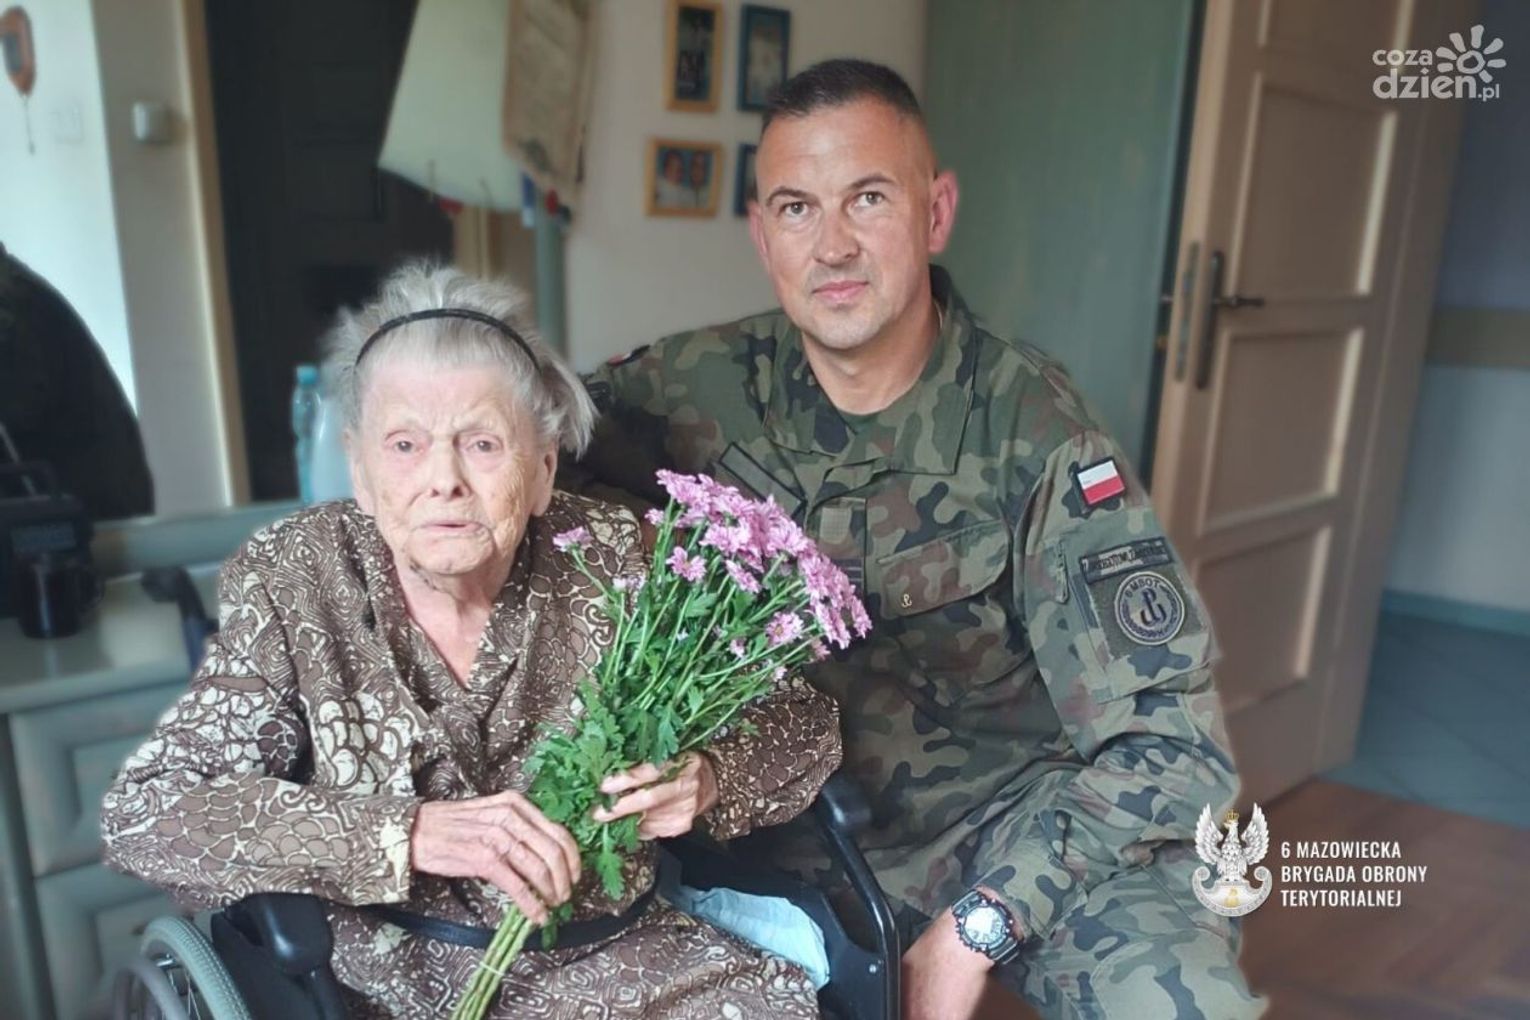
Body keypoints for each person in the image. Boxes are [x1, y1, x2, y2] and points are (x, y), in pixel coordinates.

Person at [568, 60, 1267, 1019]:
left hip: (1014, 825)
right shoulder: (686, 387)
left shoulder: (1034, 428)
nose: (833, 246)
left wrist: (980, 926)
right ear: (763, 236)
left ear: (935, 214)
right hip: (769, 831)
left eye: (869, 199)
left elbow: (1172, 748)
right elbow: (499, 446)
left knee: (1182, 1001)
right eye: (798, 209)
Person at [101, 263, 839, 1018]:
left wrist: (708, 777)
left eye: (482, 443)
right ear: (360, 471)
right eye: (404, 444)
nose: (444, 479)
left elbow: (802, 719)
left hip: (620, 959)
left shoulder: (617, 558)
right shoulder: (300, 576)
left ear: (544, 469)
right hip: (386, 983)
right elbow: (151, 814)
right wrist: (408, 833)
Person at [0, 242, 153, 519]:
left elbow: (19, 404)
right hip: (85, 514)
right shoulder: (17, 291)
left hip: (83, 520)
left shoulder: (13, 306)